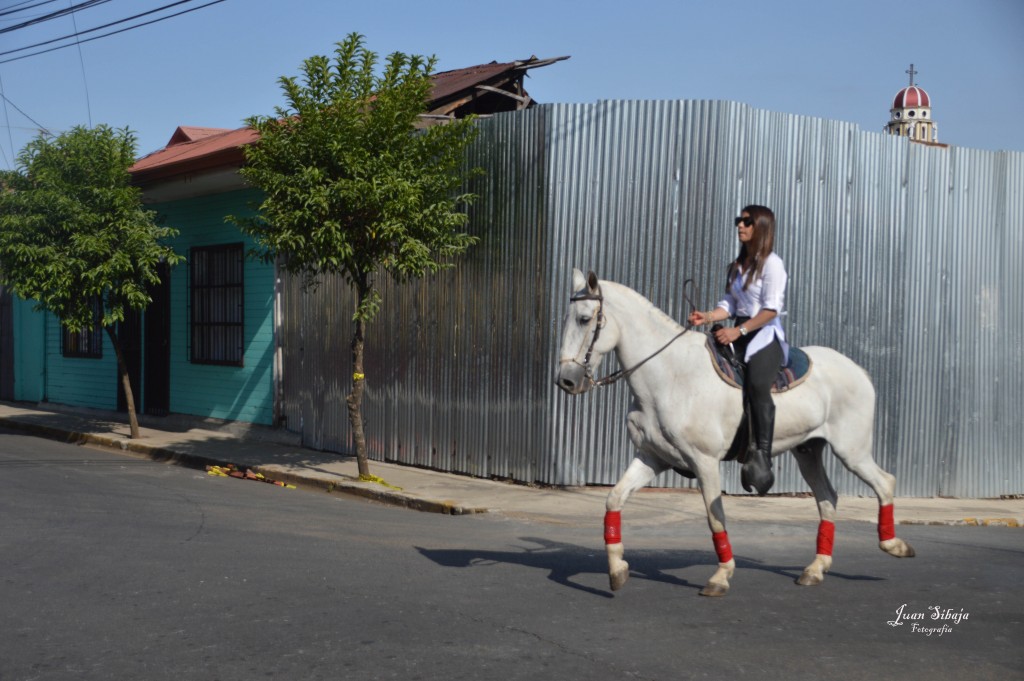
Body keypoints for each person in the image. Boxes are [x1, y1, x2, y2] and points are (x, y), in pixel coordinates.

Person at [687, 205, 788, 495]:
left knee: (757, 385)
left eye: (747, 222)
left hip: (763, 334)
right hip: (737, 330)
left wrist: (737, 330)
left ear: (762, 227)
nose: (740, 226)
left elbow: (770, 310)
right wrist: (706, 316)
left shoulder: (772, 264)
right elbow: (730, 304)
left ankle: (762, 456)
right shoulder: (737, 266)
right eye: (738, 221)